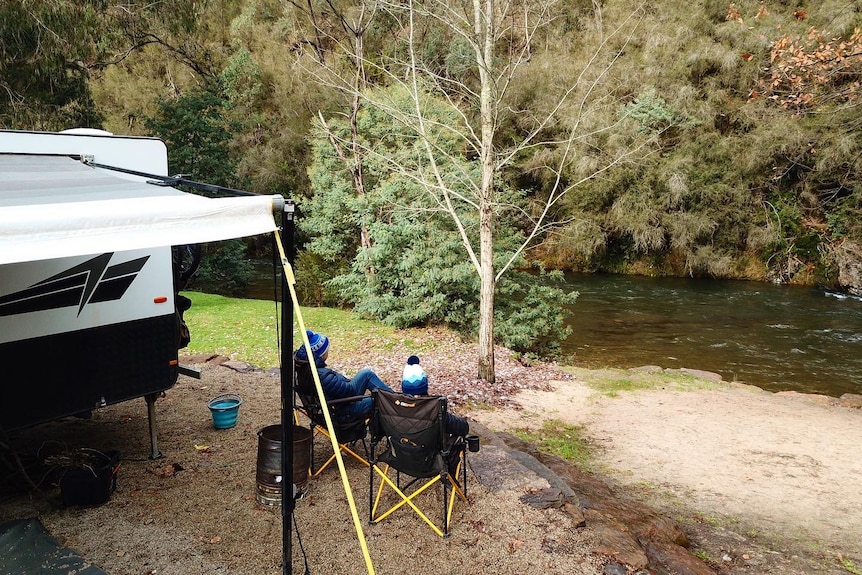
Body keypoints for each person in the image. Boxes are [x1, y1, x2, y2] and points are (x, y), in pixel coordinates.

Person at [294, 330, 394, 421]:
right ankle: (396, 402)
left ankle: (394, 399)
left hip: (334, 405)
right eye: (327, 349)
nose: (328, 351)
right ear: (321, 354)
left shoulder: (306, 370)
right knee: (380, 399)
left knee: (366, 374)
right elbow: (349, 393)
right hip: (342, 411)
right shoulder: (322, 376)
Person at [401, 355, 470, 437]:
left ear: (403, 388)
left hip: (402, 447)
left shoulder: (392, 407)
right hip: (430, 449)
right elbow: (463, 428)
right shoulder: (433, 408)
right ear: (425, 387)